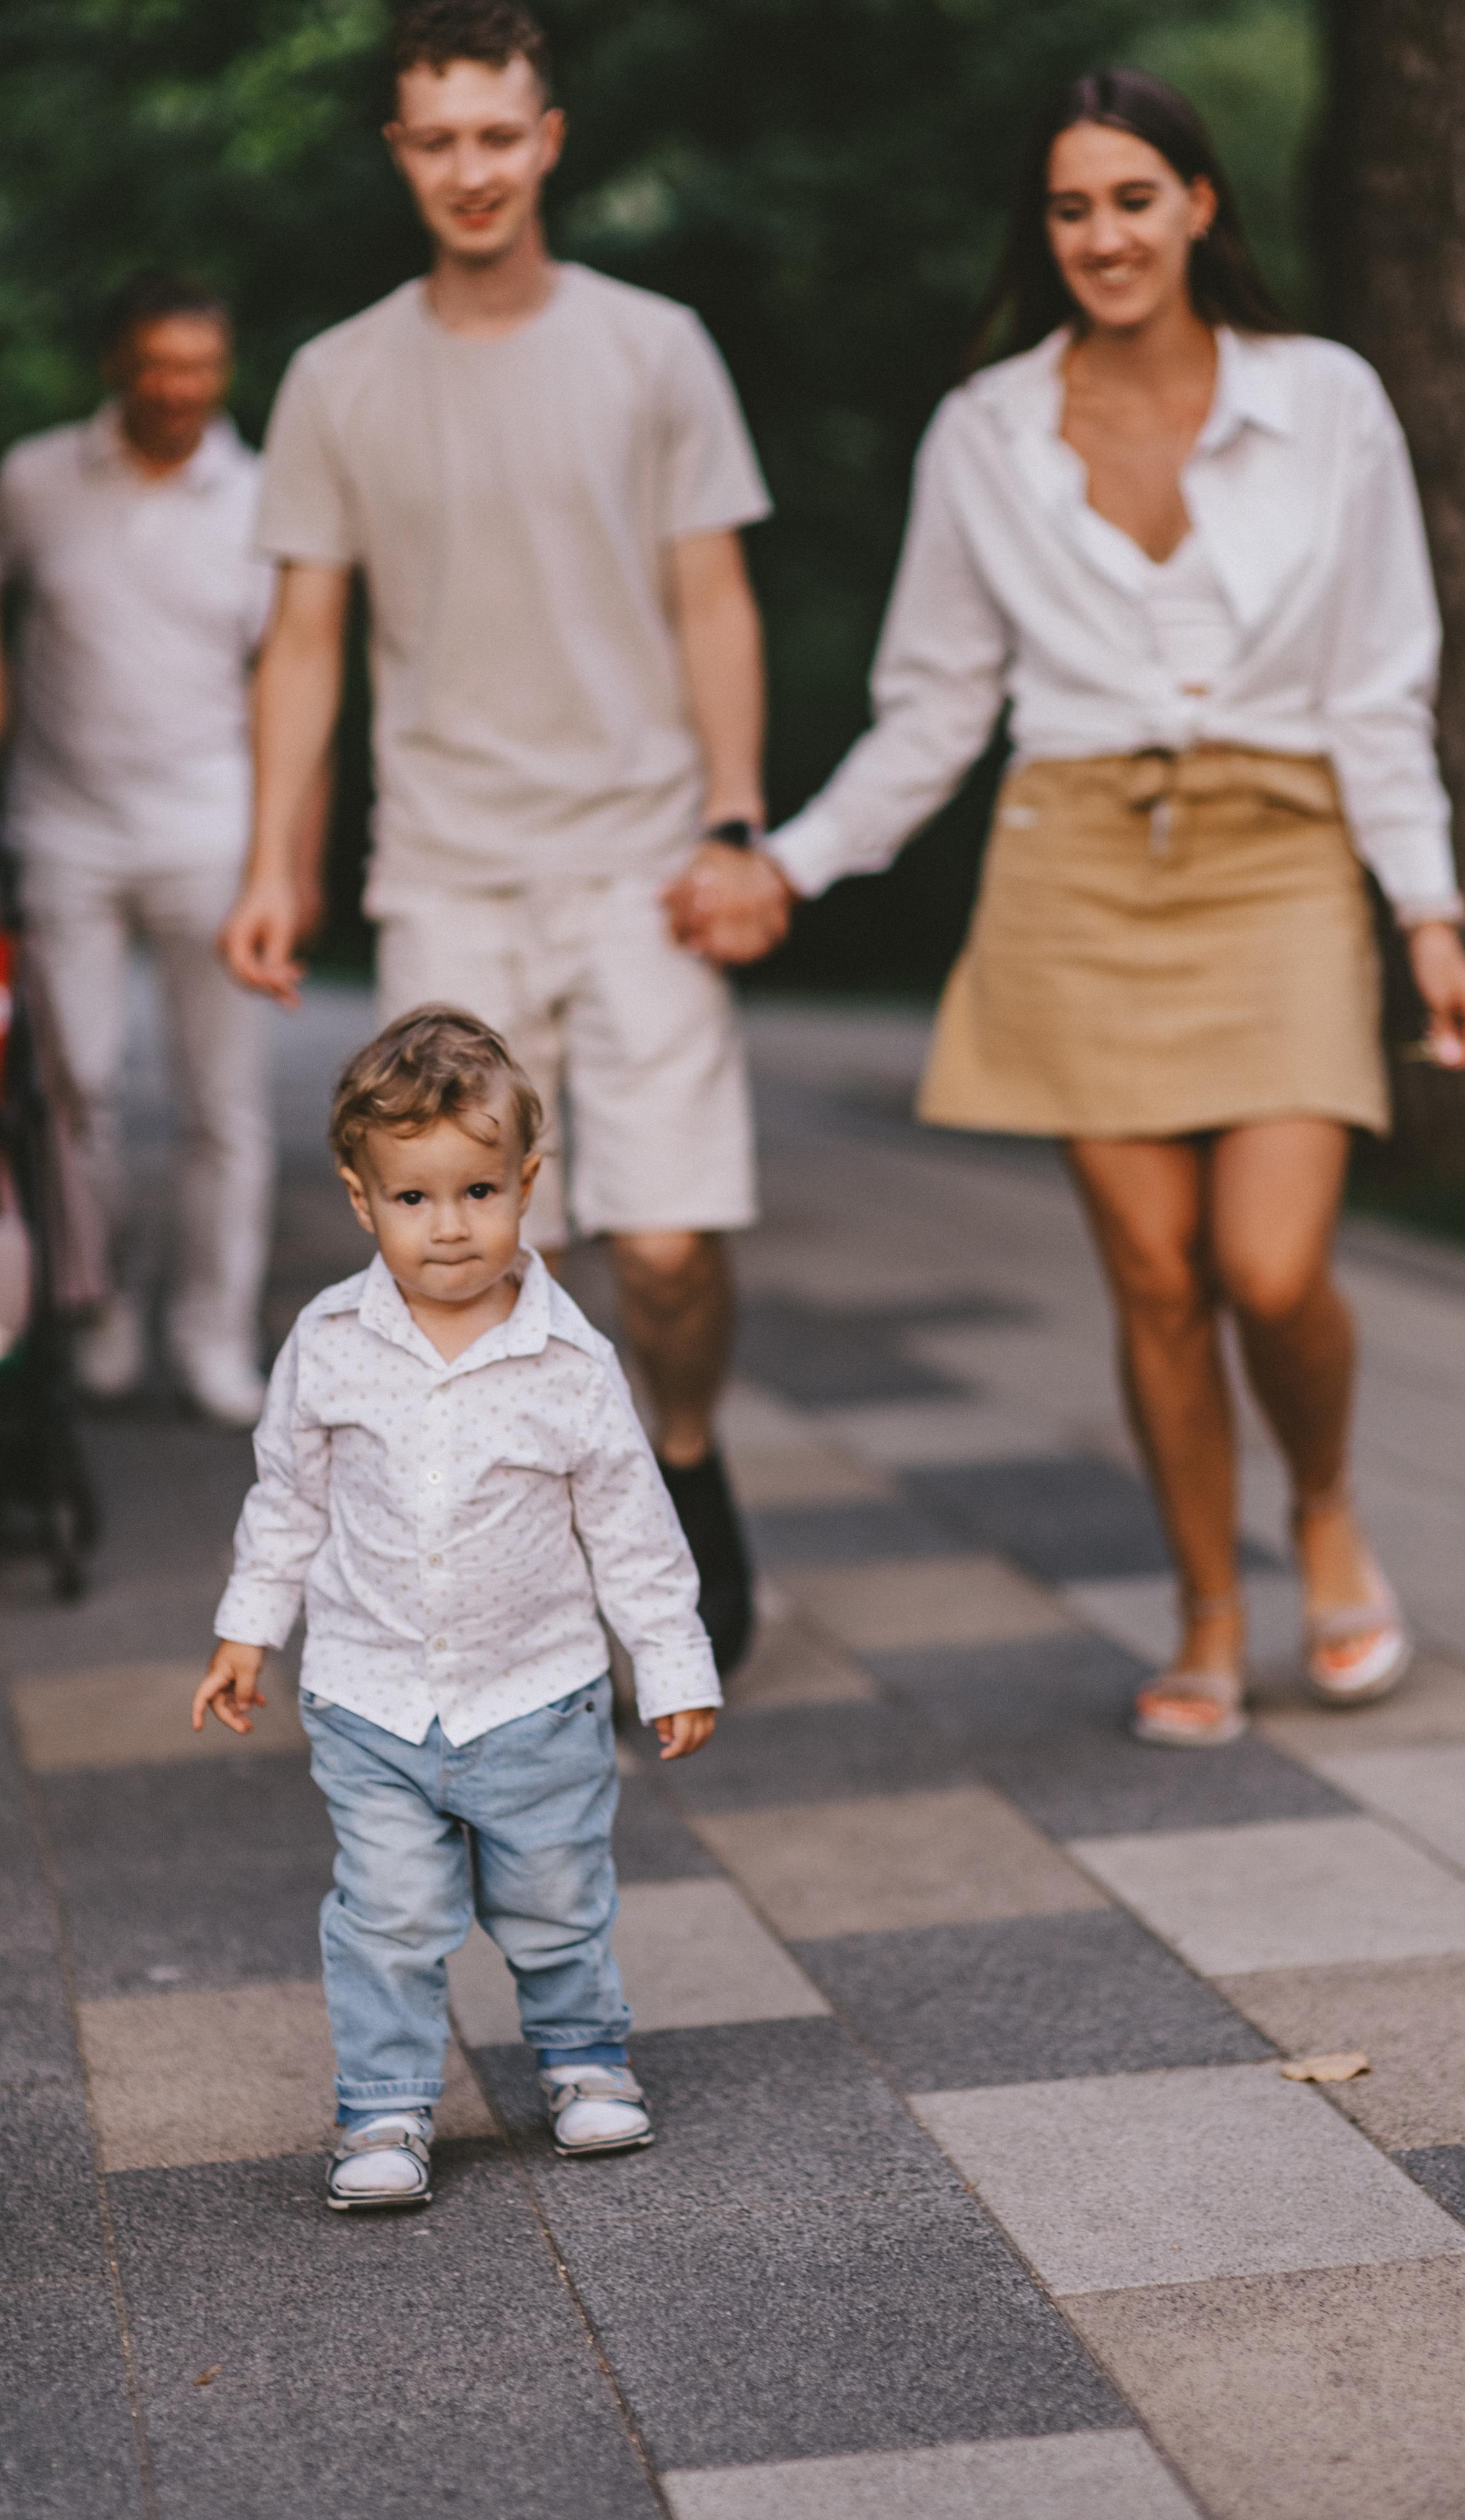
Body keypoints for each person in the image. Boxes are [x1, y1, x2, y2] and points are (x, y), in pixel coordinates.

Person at [670, 67, 1465, 1747]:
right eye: (1069, 209)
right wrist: (790, 860)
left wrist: (1426, 913)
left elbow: (1378, 686)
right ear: (1040, 231)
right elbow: (931, 710)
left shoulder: (1325, 400)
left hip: (1276, 854)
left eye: (1131, 198)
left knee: (1268, 1268)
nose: (1102, 236)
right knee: (1153, 1279)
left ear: (1197, 205)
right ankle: (1205, 1615)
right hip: (1071, 868)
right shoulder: (983, 434)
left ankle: (1321, 1508)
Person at [218, 0, 770, 1671]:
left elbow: (711, 596)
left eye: (498, 134)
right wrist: (273, 860)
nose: (472, 168)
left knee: (665, 1250)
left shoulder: (653, 348)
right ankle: (550, 1567)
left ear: (548, 141)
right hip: (449, 869)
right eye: (438, 139)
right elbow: (304, 640)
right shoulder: (339, 378)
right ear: (402, 152)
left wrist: (736, 822)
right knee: (483, 1253)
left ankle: (682, 1453)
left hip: (642, 861)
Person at [192, 1006, 720, 2209]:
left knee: (556, 1900)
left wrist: (673, 1663)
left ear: (527, 1185)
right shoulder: (329, 1343)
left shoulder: (571, 1362)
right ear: (360, 1199)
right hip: (371, 1698)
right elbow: (288, 1499)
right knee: (387, 1915)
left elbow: (632, 1528)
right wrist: (246, 1629)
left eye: (479, 1192)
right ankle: (383, 2107)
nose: (448, 1227)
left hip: (537, 1695)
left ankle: (584, 2061)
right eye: (414, 1198)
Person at [0, 272, 297, 1427]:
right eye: (159, 364)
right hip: (62, 828)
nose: (180, 388)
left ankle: (215, 1336)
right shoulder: (34, 481)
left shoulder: (263, 497)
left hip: (212, 832)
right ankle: (101, 1309)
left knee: (224, 1104)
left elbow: (291, 684)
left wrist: (285, 861)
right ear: (117, 364)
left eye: (201, 366)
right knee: (76, 1092)